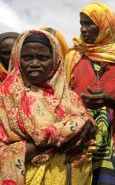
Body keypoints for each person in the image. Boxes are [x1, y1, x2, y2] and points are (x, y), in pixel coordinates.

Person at [0, 30, 96, 185]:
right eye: (27, 57)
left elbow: (87, 130)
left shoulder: (69, 97)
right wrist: (55, 140)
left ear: (55, 60)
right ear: (17, 59)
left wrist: (82, 129)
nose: (34, 63)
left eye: (43, 57)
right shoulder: (4, 97)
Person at [65, 2, 115, 185]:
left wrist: (110, 101)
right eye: (81, 23)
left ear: (105, 27)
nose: (83, 29)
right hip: (80, 141)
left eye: (89, 24)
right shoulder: (73, 57)